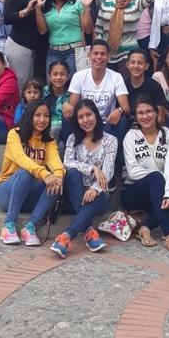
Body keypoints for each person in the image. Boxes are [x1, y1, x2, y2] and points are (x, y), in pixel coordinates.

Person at [121, 95, 169, 254]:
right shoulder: (131, 137)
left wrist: (168, 193)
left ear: (157, 113)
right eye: (141, 113)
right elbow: (133, 171)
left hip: (158, 194)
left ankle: (146, 226)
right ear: (136, 116)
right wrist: (162, 182)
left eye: (149, 111)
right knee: (157, 178)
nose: (145, 116)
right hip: (134, 192)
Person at [51, 99, 117, 257]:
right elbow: (67, 163)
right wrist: (92, 168)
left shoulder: (111, 140)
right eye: (81, 117)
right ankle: (89, 231)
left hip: (97, 195)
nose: (86, 120)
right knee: (72, 172)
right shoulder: (73, 139)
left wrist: (94, 189)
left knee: (101, 191)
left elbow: (107, 172)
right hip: (75, 191)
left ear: (96, 115)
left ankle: (67, 236)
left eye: (89, 115)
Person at [0, 100, 65, 245]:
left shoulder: (49, 141)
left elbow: (56, 163)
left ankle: (30, 226)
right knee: (25, 173)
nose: (42, 120)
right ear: (29, 116)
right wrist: (45, 174)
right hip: (7, 192)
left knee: (58, 180)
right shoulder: (15, 134)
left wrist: (57, 175)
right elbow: (21, 159)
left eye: (46, 116)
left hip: (29, 196)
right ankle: (8, 225)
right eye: (37, 115)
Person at [64, 40, 131, 162]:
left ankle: (115, 166)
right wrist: (67, 106)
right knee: (67, 116)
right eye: (95, 53)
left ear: (109, 57)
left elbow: (126, 107)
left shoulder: (116, 77)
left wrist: (119, 110)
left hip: (107, 124)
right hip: (85, 122)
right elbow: (72, 106)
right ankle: (70, 159)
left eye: (102, 54)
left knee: (123, 120)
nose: (99, 57)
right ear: (89, 56)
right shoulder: (79, 76)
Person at [94, 0, 158, 69]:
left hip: (129, 55)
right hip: (107, 54)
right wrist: (99, 50)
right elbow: (99, 28)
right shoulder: (107, 1)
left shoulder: (137, 3)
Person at [34, 0, 95, 74]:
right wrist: (38, 9)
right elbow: (42, 31)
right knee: (53, 85)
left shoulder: (77, 3)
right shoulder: (46, 6)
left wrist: (87, 8)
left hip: (75, 51)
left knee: (73, 85)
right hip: (53, 52)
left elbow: (88, 30)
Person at [3, 0, 41, 89]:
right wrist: (26, 10)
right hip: (19, 46)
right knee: (20, 85)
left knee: (28, 86)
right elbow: (7, 17)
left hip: (30, 48)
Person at [124, 48, 167, 116]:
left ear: (146, 66)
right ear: (127, 65)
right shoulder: (123, 85)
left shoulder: (155, 86)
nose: (136, 66)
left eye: (140, 63)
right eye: (132, 62)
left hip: (150, 123)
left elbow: (160, 117)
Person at [43, 63, 70, 140]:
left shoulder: (72, 94)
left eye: (62, 74)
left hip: (66, 131)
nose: (58, 77)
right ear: (49, 77)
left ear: (68, 77)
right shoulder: (43, 93)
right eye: (55, 74)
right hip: (46, 130)